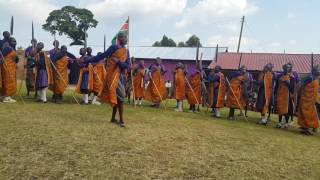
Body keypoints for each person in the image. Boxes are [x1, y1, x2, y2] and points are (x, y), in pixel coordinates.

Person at [83, 32, 130, 127]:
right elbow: (102, 56)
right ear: (119, 38)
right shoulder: (113, 48)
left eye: (126, 37)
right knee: (121, 97)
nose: (126, 39)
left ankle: (113, 118)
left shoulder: (126, 51)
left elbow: (128, 66)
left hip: (121, 76)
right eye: (124, 37)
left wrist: (119, 62)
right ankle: (121, 121)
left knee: (118, 97)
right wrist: (87, 60)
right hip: (112, 75)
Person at [297, 65, 320, 135]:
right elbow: (300, 84)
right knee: (306, 114)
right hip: (306, 99)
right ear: (314, 70)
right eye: (318, 69)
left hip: (312, 100)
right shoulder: (309, 77)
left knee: (312, 115)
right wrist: (297, 94)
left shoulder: (315, 78)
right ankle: (305, 128)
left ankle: (308, 128)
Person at [275, 63, 297, 129]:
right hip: (280, 95)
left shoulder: (292, 77)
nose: (286, 69)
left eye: (288, 67)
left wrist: (286, 82)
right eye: (285, 67)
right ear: (283, 68)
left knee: (287, 109)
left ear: (290, 69)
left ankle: (286, 123)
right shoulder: (280, 77)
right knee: (280, 108)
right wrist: (275, 94)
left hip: (288, 96)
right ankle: (279, 122)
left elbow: (292, 88)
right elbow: (276, 86)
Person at [0, 37, 19, 103]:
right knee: (8, 81)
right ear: (9, 42)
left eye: (15, 41)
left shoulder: (13, 49)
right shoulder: (8, 48)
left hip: (12, 68)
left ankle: (5, 96)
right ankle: (7, 97)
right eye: (13, 41)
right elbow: (1, 57)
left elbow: (16, 59)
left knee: (10, 81)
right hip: (7, 67)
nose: (15, 43)